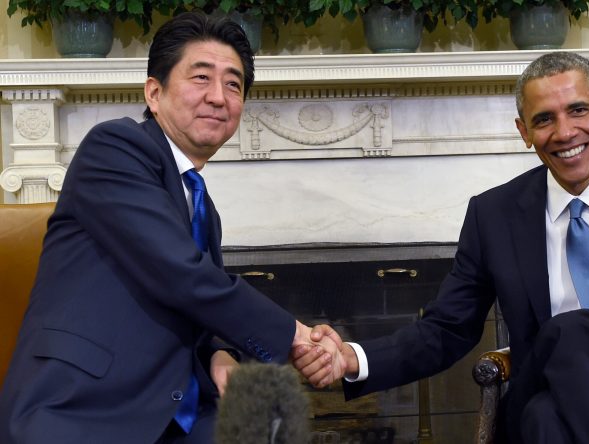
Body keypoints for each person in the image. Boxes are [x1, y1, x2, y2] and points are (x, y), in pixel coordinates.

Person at [294, 52, 589, 443]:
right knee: (574, 330)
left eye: (578, 110)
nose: (564, 133)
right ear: (524, 132)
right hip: (549, 377)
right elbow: (446, 329)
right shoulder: (495, 215)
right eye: (544, 120)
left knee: (545, 423)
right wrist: (355, 359)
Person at [0, 12, 344, 444]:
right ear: (155, 93)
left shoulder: (202, 207)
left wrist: (220, 353)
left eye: (233, 84)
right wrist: (296, 337)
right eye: (201, 78)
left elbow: (193, 307)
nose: (218, 97)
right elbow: (180, 273)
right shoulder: (113, 149)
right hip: (82, 409)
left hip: (172, 408)